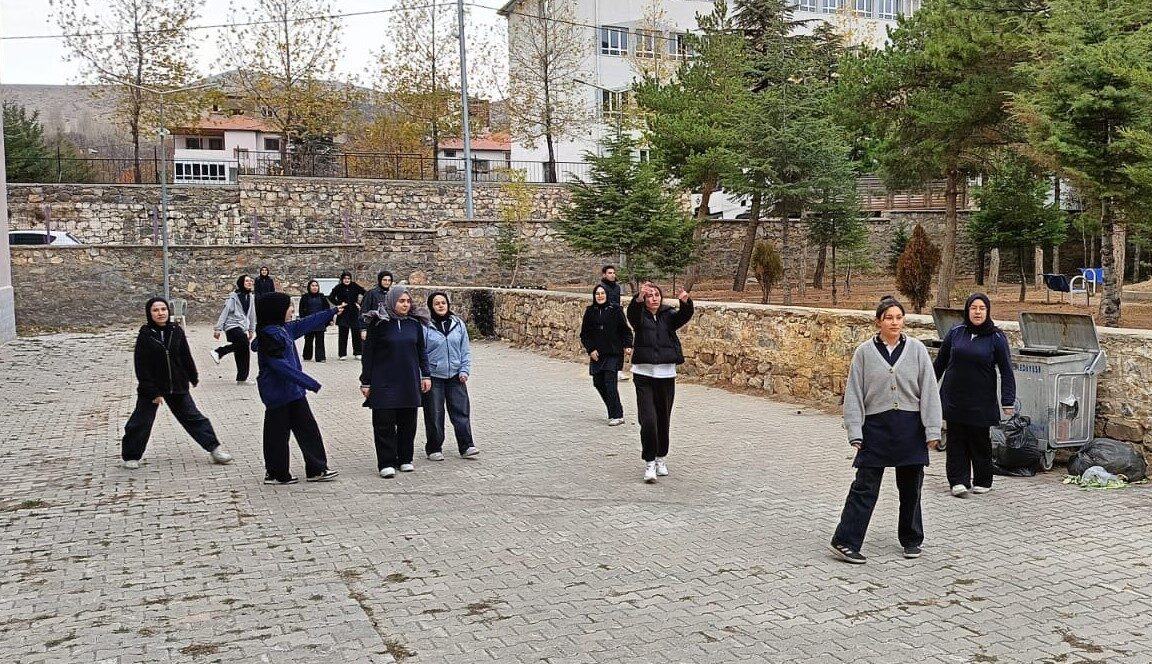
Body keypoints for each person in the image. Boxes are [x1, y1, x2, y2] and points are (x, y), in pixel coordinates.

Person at [829, 296, 942, 565]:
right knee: (865, 486)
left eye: (898, 317)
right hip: (876, 429)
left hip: (909, 428)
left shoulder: (916, 350)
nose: (894, 322)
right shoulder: (864, 353)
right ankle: (845, 541)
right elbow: (854, 393)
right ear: (878, 321)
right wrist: (855, 431)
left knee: (911, 487)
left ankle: (912, 539)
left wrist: (933, 429)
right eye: (889, 318)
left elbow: (929, 390)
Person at [122, 297, 234, 469]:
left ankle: (215, 449)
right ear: (149, 313)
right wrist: (152, 391)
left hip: (177, 383)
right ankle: (132, 455)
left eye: (163, 310)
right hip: (152, 386)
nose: (160, 313)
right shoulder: (145, 335)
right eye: (155, 310)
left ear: (168, 311)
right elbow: (141, 366)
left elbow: (184, 355)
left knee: (194, 418)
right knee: (141, 422)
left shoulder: (176, 330)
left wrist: (192, 375)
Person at [251, 292, 344, 485]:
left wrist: (332, 311)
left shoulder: (283, 329)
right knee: (277, 435)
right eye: (288, 306)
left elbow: (306, 323)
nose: (292, 309)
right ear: (277, 310)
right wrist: (308, 382)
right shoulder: (269, 335)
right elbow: (279, 366)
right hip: (277, 395)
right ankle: (276, 473)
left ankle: (316, 469)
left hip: (294, 393)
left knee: (308, 429)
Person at [934, 293, 1016, 498]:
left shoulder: (996, 337)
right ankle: (958, 481)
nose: (977, 312)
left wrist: (1008, 400)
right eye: (973, 308)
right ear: (967, 310)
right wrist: (925, 389)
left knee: (979, 441)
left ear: (987, 311)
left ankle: (982, 480)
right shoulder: (955, 332)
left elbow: (1007, 370)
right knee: (956, 441)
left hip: (981, 400)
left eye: (981, 308)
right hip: (954, 398)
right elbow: (940, 363)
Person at [360, 285, 431, 478]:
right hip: (383, 381)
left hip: (408, 380)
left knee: (408, 423)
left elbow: (421, 351)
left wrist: (426, 375)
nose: (406, 305)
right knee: (384, 423)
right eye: (401, 301)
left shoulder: (414, 324)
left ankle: (405, 459)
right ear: (392, 301)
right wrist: (365, 381)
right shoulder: (378, 323)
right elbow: (368, 354)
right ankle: (386, 462)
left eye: (408, 301)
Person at [627, 281, 693, 483]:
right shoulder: (639, 316)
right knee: (648, 420)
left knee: (663, 420)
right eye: (649, 296)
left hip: (665, 375)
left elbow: (684, 316)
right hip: (643, 374)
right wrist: (638, 297)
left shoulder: (668, 315)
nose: (654, 298)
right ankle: (649, 463)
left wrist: (686, 302)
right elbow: (632, 314)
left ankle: (660, 457)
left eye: (657, 295)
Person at [422, 292, 480, 460]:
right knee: (434, 414)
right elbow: (421, 353)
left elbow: (465, 350)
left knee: (461, 412)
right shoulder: (425, 326)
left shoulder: (458, 324)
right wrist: (424, 375)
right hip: (434, 376)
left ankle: (466, 445)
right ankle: (434, 448)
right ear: (431, 307)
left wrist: (464, 370)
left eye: (443, 302)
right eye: (436, 303)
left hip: (455, 376)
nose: (441, 306)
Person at [580, 284, 633, 426]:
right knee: (598, 382)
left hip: (613, 353)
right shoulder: (590, 311)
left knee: (610, 383)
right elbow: (585, 334)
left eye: (602, 293)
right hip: (597, 354)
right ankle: (613, 408)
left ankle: (617, 415)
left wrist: (628, 345)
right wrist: (591, 349)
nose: (600, 296)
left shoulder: (615, 310)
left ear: (607, 295)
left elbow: (625, 330)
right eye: (597, 294)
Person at [211, 274, 257, 384]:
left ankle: (241, 379)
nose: (249, 283)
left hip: (242, 327)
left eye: (250, 281)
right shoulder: (233, 297)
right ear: (241, 283)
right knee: (243, 342)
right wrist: (218, 328)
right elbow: (225, 311)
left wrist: (251, 330)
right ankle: (219, 352)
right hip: (232, 326)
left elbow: (252, 315)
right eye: (246, 281)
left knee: (243, 350)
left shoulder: (250, 297)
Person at [328, 271, 365, 360]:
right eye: (345, 278)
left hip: (354, 312)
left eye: (348, 278)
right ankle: (342, 354)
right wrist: (339, 304)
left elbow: (365, 293)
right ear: (342, 279)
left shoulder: (354, 286)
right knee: (343, 334)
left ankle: (358, 352)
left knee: (356, 333)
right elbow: (331, 297)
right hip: (343, 312)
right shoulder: (338, 287)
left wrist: (360, 304)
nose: (347, 280)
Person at [298, 280, 331, 363]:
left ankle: (320, 357)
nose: (315, 287)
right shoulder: (305, 297)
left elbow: (327, 309)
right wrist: (303, 320)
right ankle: (307, 356)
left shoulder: (322, 297)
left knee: (320, 341)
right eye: (313, 285)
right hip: (309, 321)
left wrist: (328, 320)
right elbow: (301, 310)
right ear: (309, 287)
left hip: (319, 322)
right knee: (308, 340)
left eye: (316, 286)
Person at [360, 270, 394, 340]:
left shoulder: (392, 294)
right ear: (380, 280)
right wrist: (363, 329)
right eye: (384, 280)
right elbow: (364, 310)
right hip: (373, 328)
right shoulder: (371, 293)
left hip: (389, 328)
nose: (387, 282)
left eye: (389, 280)